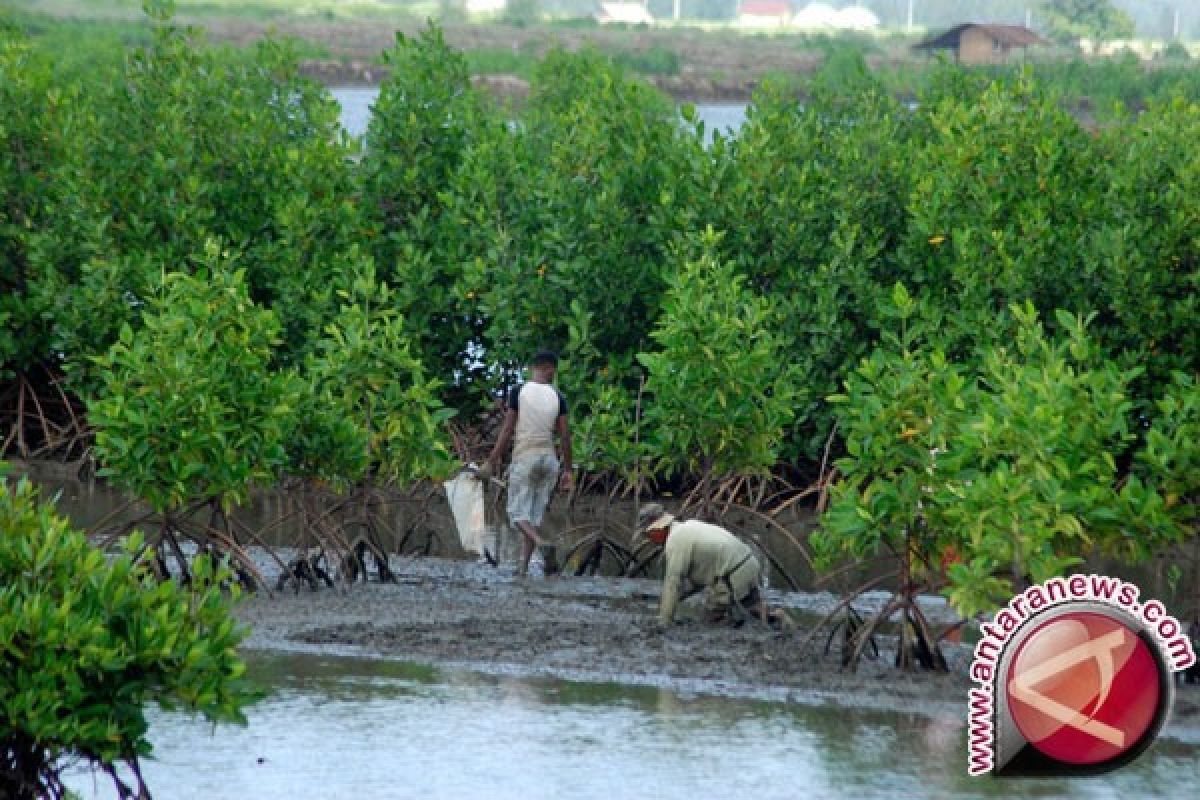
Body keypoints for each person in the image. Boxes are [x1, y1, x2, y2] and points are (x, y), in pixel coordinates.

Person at [482, 350, 573, 577]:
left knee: (517, 514)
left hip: (526, 458)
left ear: (534, 368)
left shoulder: (519, 391)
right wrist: (569, 470)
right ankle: (523, 568)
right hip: (549, 461)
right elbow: (565, 436)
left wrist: (490, 462)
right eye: (554, 370)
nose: (554, 374)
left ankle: (540, 542)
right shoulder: (558, 396)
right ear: (549, 368)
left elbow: (507, 430)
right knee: (532, 516)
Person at [635, 503, 771, 629]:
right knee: (751, 608)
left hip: (733, 574)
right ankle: (772, 619)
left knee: (710, 620)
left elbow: (673, 583)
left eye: (648, 534)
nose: (650, 539)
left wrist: (664, 621)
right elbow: (693, 584)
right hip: (749, 563)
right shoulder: (688, 526)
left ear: (657, 529)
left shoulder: (676, 540)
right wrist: (666, 600)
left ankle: (748, 622)